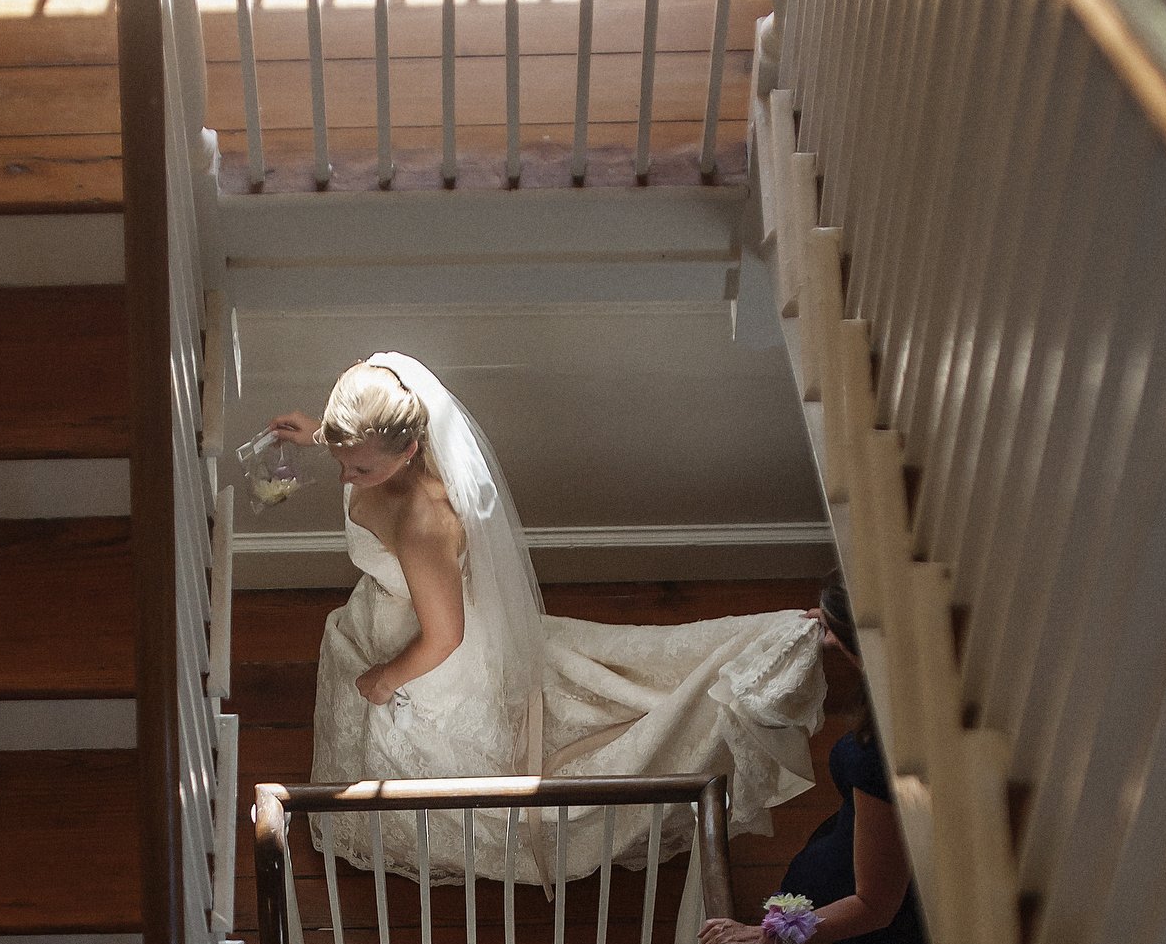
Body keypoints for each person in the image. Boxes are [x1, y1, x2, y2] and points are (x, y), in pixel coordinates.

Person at [267, 354, 826, 882]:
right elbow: (367, 441)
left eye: (358, 467)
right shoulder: (396, 427)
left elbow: (445, 636)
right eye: (342, 459)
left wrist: (385, 679)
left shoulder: (420, 525)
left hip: (430, 651)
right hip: (394, 613)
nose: (345, 476)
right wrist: (321, 432)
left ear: (410, 449)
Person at [697, 572, 942, 944]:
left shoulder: (882, 755)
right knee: (929, 943)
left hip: (860, 881)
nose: (821, 635)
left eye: (831, 630)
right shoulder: (936, 694)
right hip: (931, 869)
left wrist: (768, 937)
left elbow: (874, 905)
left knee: (824, 926)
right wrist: (830, 626)